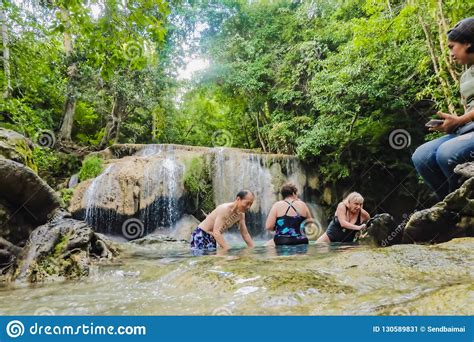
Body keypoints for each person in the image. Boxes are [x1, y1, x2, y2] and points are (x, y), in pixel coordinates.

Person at [412, 17, 474, 200]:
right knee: (421, 156)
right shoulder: (465, 76)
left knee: (447, 153)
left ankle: (464, 207)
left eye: (452, 46)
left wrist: (461, 120)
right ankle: (451, 208)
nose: (450, 53)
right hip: (469, 128)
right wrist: (454, 123)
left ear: (468, 43)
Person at [190, 190, 255, 250]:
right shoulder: (224, 209)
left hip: (213, 237)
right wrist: (227, 248)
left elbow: (245, 233)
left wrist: (253, 248)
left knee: (211, 260)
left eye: (251, 204)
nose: (248, 207)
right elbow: (216, 232)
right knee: (202, 259)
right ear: (238, 199)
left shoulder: (241, 214)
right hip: (201, 234)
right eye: (247, 203)